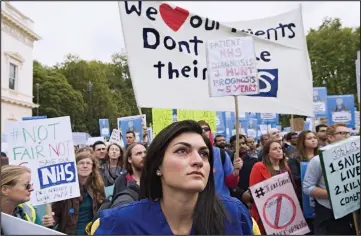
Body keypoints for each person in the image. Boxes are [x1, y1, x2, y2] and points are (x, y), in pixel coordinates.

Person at [94, 120, 253, 235]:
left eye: (204, 154)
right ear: (158, 166)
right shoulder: (121, 224)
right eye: (182, 151)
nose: (198, 160)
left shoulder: (234, 215)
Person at [303, 123, 354, 235]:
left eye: (348, 133)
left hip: (352, 212)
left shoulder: (355, 159)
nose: (347, 135)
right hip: (328, 214)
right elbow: (307, 188)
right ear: (330, 138)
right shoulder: (318, 160)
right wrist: (335, 194)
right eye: (342, 133)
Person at [42, 152, 105, 235]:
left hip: (92, 232)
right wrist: (49, 220)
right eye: (81, 163)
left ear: (92, 167)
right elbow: (55, 214)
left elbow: (102, 211)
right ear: (74, 166)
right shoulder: (63, 188)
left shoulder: (98, 186)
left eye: (88, 163)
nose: (85, 166)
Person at [249, 140, 292, 234]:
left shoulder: (285, 167)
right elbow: (254, 191)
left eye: (280, 148)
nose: (279, 150)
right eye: (275, 149)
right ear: (267, 153)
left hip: (284, 211)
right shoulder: (258, 166)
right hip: (265, 213)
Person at [198, 120, 242, 197]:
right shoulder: (190, 154)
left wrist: (235, 172)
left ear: (210, 132)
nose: (203, 131)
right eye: (200, 129)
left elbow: (231, 184)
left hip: (220, 202)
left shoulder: (221, 154)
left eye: (206, 129)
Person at [287, 130, 318, 234]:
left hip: (319, 198)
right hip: (302, 199)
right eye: (309, 138)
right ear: (302, 141)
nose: (313, 140)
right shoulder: (294, 159)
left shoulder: (322, 156)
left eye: (314, 137)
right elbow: (295, 178)